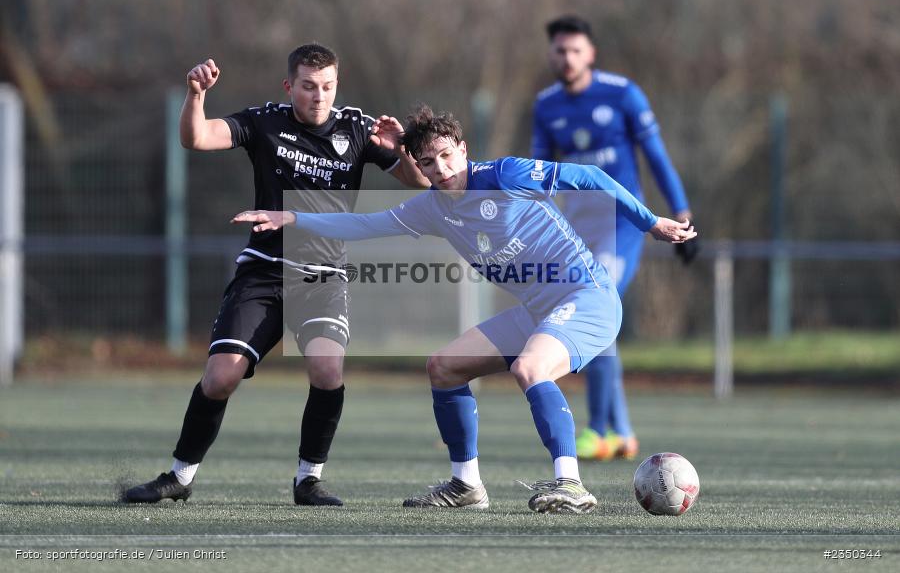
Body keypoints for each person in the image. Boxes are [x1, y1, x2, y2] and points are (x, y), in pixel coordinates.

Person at [232, 105, 696, 513]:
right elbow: (363, 223)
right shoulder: (432, 209)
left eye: (448, 155)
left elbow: (590, 178)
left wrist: (650, 222)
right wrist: (292, 216)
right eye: (429, 161)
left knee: (532, 368)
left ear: (464, 149)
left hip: (587, 298)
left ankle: (571, 483)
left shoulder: (505, 174)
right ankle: (466, 484)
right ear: (418, 165)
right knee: (444, 367)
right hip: (539, 310)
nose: (442, 168)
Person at [124, 44, 428, 506]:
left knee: (328, 369)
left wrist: (402, 148)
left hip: (323, 277)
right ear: (290, 87)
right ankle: (179, 477)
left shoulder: (358, 129)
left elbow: (420, 183)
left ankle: (308, 480)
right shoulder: (265, 121)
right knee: (220, 377)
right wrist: (195, 96)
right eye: (308, 86)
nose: (319, 96)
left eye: (327, 86)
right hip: (263, 273)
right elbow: (197, 138)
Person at [531, 15, 698, 461]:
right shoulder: (545, 106)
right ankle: (622, 432)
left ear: (591, 53)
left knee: (595, 308)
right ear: (551, 55)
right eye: (559, 51)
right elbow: (539, 174)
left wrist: (681, 214)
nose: (566, 58)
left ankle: (598, 429)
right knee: (599, 322)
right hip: (577, 226)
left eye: (575, 50)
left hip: (623, 223)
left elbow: (657, 157)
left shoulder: (622, 94)